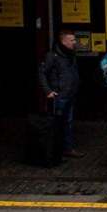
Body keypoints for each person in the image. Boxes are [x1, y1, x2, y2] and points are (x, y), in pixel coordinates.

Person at [37, 29, 79, 157]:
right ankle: (56, 149)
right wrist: (48, 91)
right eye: (72, 40)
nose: (75, 42)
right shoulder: (52, 56)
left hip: (69, 94)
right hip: (59, 95)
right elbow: (42, 73)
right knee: (58, 123)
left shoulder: (71, 54)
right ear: (64, 41)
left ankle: (67, 148)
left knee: (68, 123)